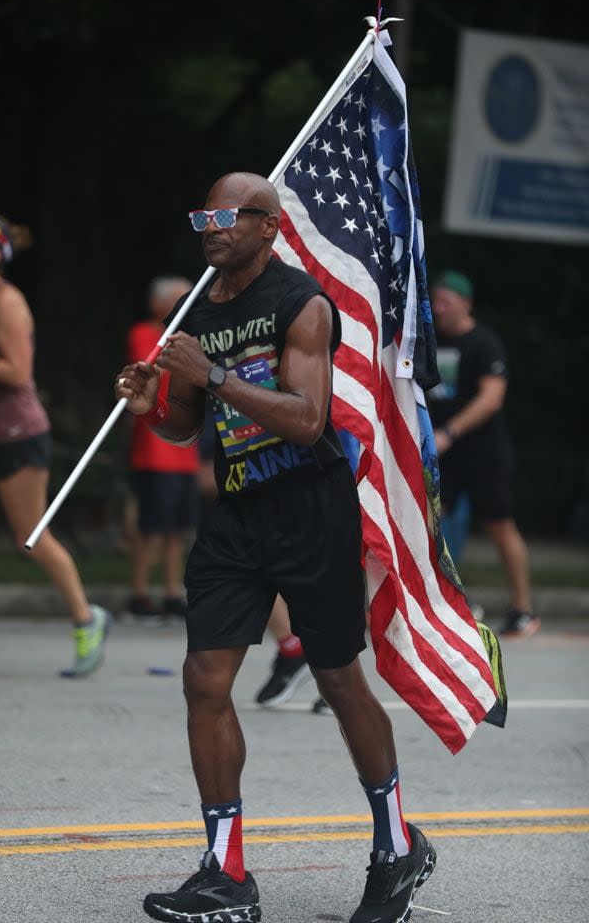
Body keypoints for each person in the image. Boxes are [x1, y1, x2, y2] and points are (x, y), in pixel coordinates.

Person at [115, 172, 436, 923]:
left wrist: (214, 373)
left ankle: (396, 844)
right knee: (203, 679)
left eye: (229, 216)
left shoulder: (302, 304)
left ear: (268, 227)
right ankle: (225, 874)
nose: (212, 228)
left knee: (338, 680)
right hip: (235, 521)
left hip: (309, 515)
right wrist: (150, 403)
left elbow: (305, 417)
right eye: (204, 215)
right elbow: (183, 425)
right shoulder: (197, 307)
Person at [0, 212, 110, 680]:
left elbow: (17, 373)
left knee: (31, 538)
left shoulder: (7, 302)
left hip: (17, 435)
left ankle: (87, 620)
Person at [427, 269, 539, 638]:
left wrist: (450, 431)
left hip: (482, 452)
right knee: (429, 525)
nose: (440, 308)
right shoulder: (428, 340)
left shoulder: (483, 343)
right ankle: (444, 602)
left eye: (447, 301)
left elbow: (492, 398)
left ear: (466, 304)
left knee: (499, 526)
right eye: (436, 301)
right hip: (441, 452)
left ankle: (523, 610)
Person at [254, 427, 362, 715]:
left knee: (327, 573)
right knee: (256, 559)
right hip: (271, 458)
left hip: (328, 457)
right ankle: (293, 649)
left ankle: (340, 674)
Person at [123, 275, 200, 620]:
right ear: (158, 305)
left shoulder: (189, 339)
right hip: (154, 452)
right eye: (177, 299)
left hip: (184, 452)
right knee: (151, 526)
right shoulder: (143, 333)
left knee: (177, 529)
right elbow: (151, 371)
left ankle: (172, 592)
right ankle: (139, 592)